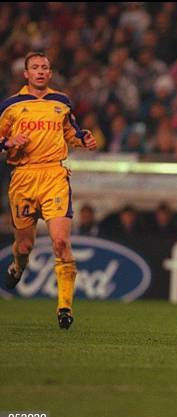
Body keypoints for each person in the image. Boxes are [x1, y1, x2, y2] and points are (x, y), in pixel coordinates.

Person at [0, 51, 97, 329]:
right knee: (24, 245)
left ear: (50, 73)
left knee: (60, 242)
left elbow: (72, 131)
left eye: (45, 67)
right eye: (35, 67)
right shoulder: (11, 106)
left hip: (54, 174)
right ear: (26, 74)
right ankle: (18, 267)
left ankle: (64, 308)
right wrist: (7, 143)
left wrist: (83, 138)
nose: (40, 71)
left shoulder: (61, 101)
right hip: (23, 177)